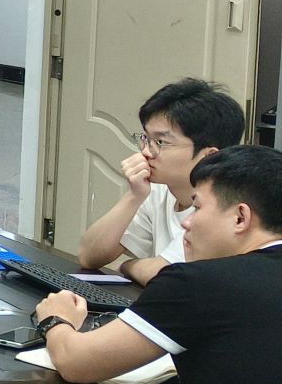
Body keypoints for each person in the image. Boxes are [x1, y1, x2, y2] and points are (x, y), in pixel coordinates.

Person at [37, 144, 282, 384]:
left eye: (198, 207)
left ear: (241, 218)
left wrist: (56, 320)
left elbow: (77, 362)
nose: (186, 222)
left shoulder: (201, 283)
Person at [76, 79, 242, 285]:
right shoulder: (158, 190)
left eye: (160, 142)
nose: (146, 152)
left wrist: (127, 266)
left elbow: (168, 275)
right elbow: (89, 256)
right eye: (146, 139)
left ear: (209, 155)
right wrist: (134, 196)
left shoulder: (224, 207)